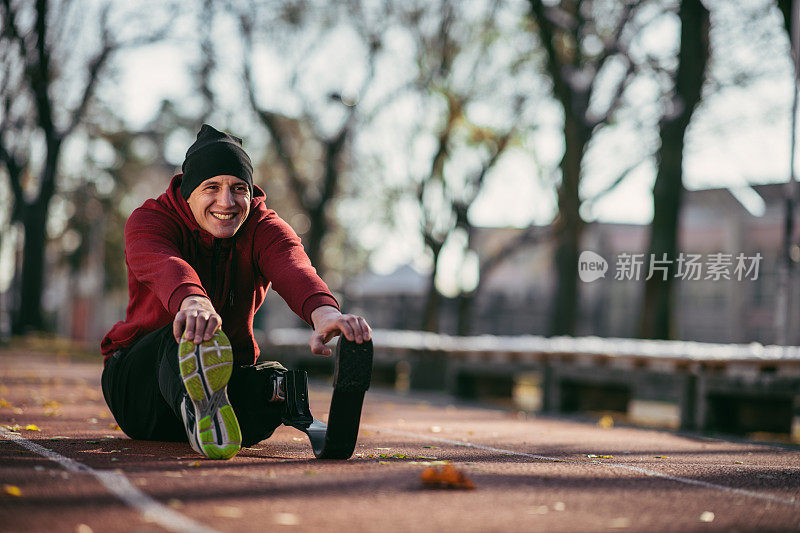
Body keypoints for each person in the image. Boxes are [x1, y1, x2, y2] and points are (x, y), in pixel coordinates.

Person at [100, 124, 372, 460]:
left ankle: (215, 413)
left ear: (250, 191)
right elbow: (163, 262)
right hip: (138, 390)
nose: (226, 202)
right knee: (187, 335)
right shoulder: (150, 220)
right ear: (188, 191)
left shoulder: (263, 227)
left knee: (274, 383)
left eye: (238, 188)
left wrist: (326, 313)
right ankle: (194, 402)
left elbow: (293, 266)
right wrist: (193, 301)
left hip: (224, 376)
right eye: (211, 187)